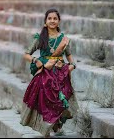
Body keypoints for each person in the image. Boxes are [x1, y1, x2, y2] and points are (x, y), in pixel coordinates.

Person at [20, 8, 78, 137]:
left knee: (60, 101)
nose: (52, 21)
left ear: (59, 21)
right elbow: (26, 54)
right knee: (45, 102)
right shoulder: (40, 38)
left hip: (60, 74)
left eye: (55, 18)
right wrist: (36, 60)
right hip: (45, 73)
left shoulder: (64, 39)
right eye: (49, 18)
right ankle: (45, 128)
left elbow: (69, 55)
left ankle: (56, 124)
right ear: (45, 22)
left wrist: (73, 65)